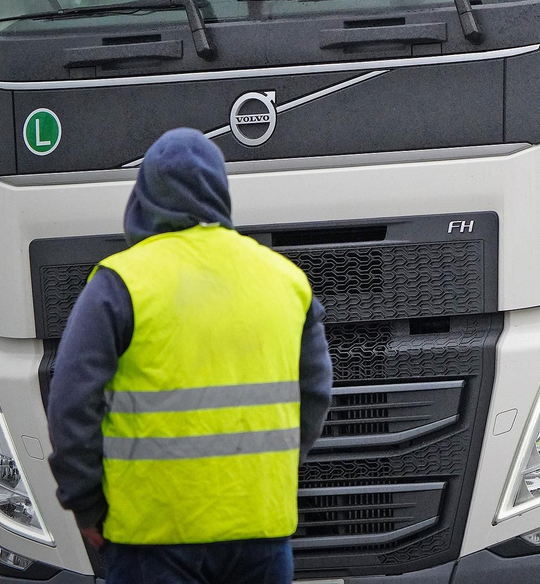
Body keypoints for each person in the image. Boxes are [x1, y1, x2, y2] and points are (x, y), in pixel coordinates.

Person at [46, 128, 333, 584]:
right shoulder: (286, 280)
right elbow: (315, 396)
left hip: (152, 536)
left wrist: (86, 505)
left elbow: (70, 405)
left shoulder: (120, 283)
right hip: (260, 530)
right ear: (220, 192)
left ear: (143, 198)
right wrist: (267, 474)